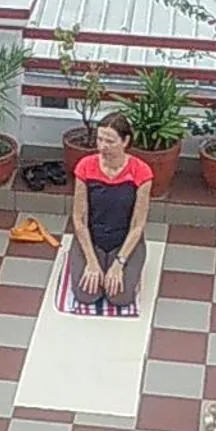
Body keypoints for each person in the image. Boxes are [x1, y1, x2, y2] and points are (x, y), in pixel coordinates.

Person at [69, 111, 153, 308]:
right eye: (100, 140)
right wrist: (91, 261)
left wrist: (118, 264)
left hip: (124, 239)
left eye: (110, 141)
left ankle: (124, 263)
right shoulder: (85, 167)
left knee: (119, 298)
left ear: (125, 142)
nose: (103, 146)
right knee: (86, 295)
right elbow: (79, 218)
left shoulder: (141, 171)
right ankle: (82, 258)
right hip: (93, 236)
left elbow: (137, 225)